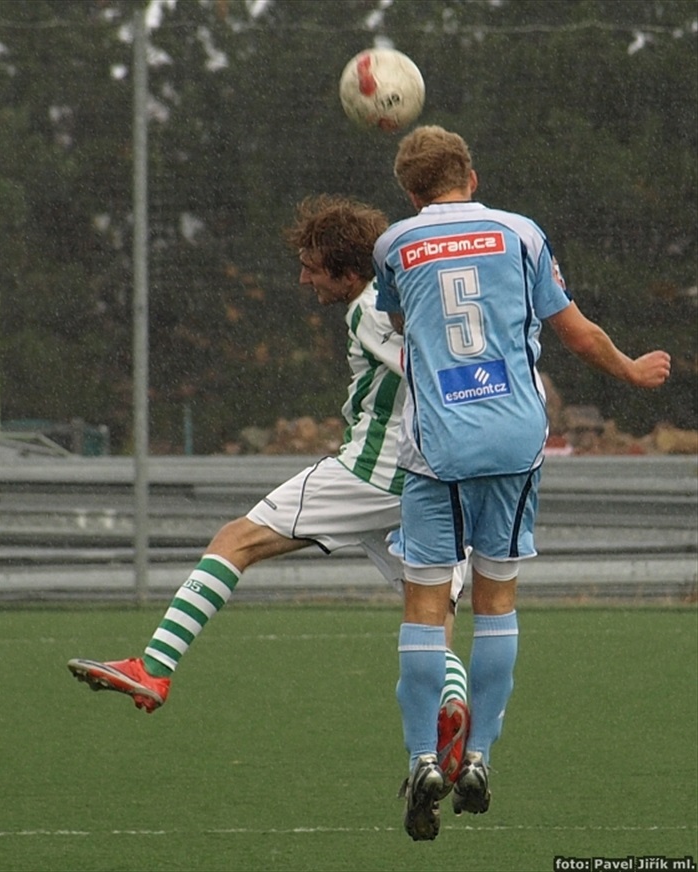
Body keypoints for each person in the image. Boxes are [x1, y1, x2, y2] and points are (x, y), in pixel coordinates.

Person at [67, 193, 470, 786]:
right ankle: (451, 708)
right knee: (428, 616)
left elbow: (425, 371)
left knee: (236, 541)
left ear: (347, 269)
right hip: (436, 480)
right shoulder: (417, 298)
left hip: (372, 470)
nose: (303, 278)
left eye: (312, 266)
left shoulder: (370, 307)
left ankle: (154, 666)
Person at [372, 125, 672, 841]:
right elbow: (573, 333)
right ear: (470, 177)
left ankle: (421, 758)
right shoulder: (522, 235)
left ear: (410, 192)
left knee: (424, 604)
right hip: (512, 437)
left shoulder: (394, 244)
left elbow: (397, 317)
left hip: (437, 445)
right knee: (496, 596)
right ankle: (477, 756)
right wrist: (630, 369)